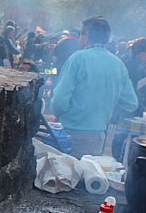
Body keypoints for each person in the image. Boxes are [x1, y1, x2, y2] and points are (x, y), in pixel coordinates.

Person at [51, 16, 138, 158]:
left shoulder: (78, 58)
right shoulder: (118, 63)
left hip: (71, 135)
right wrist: (112, 116)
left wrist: (62, 113)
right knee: (89, 178)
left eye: (81, 34)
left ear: (86, 36)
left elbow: (60, 100)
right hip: (98, 136)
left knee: (67, 177)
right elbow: (131, 103)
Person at [123, 38, 146, 116]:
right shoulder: (129, 65)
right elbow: (130, 87)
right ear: (139, 52)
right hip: (131, 104)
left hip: (143, 103)